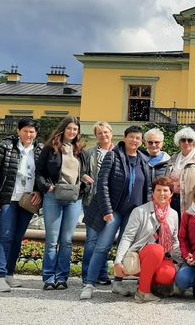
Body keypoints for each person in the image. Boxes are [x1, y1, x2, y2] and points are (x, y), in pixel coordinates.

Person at [82, 125, 152, 298]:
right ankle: (89, 283)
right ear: (125, 138)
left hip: (133, 213)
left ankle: (117, 283)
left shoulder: (144, 159)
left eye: (138, 138)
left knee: (124, 248)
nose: (134, 140)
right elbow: (102, 183)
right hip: (113, 210)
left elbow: (148, 188)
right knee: (103, 246)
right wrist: (106, 210)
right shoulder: (113, 155)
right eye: (131, 137)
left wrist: (148, 212)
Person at [36, 116, 92, 290]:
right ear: (63, 129)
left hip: (74, 198)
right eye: (69, 128)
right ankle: (49, 278)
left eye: (75, 129)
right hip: (53, 196)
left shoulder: (80, 150)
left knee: (67, 240)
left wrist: (84, 184)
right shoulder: (50, 148)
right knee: (52, 240)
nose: (72, 131)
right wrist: (47, 187)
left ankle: (62, 277)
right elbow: (39, 172)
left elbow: (85, 173)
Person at [0, 118, 43, 292]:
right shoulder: (6, 146)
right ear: (19, 131)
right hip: (8, 198)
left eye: (32, 131)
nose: (28, 134)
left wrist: (39, 191)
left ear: (36, 134)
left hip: (27, 200)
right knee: (5, 236)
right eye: (25, 131)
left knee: (17, 237)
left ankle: (9, 274)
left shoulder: (39, 150)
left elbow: (43, 175)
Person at [105, 177, 182, 303]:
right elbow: (127, 237)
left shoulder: (173, 214)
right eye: (158, 190)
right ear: (153, 192)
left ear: (171, 193)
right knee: (156, 250)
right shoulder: (140, 211)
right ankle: (143, 292)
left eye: (165, 190)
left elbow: (174, 241)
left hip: (162, 256)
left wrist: (183, 261)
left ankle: (150, 284)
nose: (162, 194)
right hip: (141, 255)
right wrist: (118, 261)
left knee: (167, 274)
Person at [81, 121, 115, 286]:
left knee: (105, 241)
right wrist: (83, 176)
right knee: (92, 240)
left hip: (111, 203)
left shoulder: (119, 152)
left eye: (106, 132)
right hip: (92, 201)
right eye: (100, 133)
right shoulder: (89, 153)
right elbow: (80, 171)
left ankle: (102, 273)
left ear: (111, 133)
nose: (103, 135)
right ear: (96, 136)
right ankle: (88, 274)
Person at [165, 127, 195, 214]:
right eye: (183, 140)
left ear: (194, 142)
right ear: (179, 142)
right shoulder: (173, 158)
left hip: (192, 202)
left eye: (189, 140)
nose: (186, 143)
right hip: (172, 200)